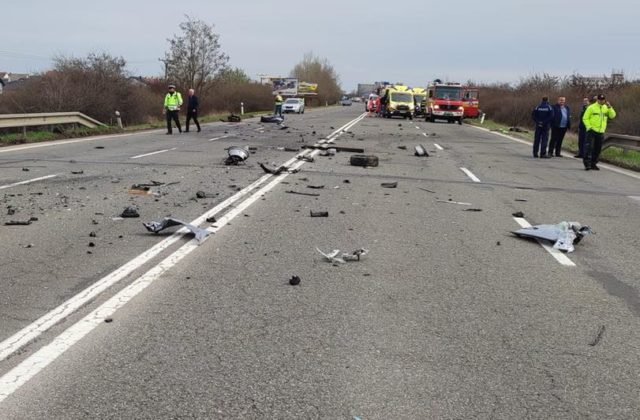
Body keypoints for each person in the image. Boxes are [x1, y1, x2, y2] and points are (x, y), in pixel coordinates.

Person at [583, 94, 616, 170]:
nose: (601, 101)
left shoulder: (606, 107)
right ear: (597, 100)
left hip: (601, 131)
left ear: (605, 100)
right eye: (600, 99)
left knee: (597, 149)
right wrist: (589, 127)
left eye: (603, 99)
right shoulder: (591, 107)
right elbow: (585, 118)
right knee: (589, 148)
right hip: (592, 131)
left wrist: (610, 107)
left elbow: (612, 116)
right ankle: (587, 164)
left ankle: (593, 163)